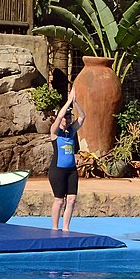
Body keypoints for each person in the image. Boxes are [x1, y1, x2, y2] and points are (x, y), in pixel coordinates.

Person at [48, 90, 85, 232]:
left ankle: (66, 228)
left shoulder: (71, 131)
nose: (67, 120)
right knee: (59, 200)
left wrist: (75, 102)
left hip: (71, 171)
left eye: (69, 118)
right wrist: (68, 101)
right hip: (57, 170)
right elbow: (58, 117)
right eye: (65, 118)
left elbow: (82, 117)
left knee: (71, 200)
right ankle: (55, 228)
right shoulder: (55, 132)